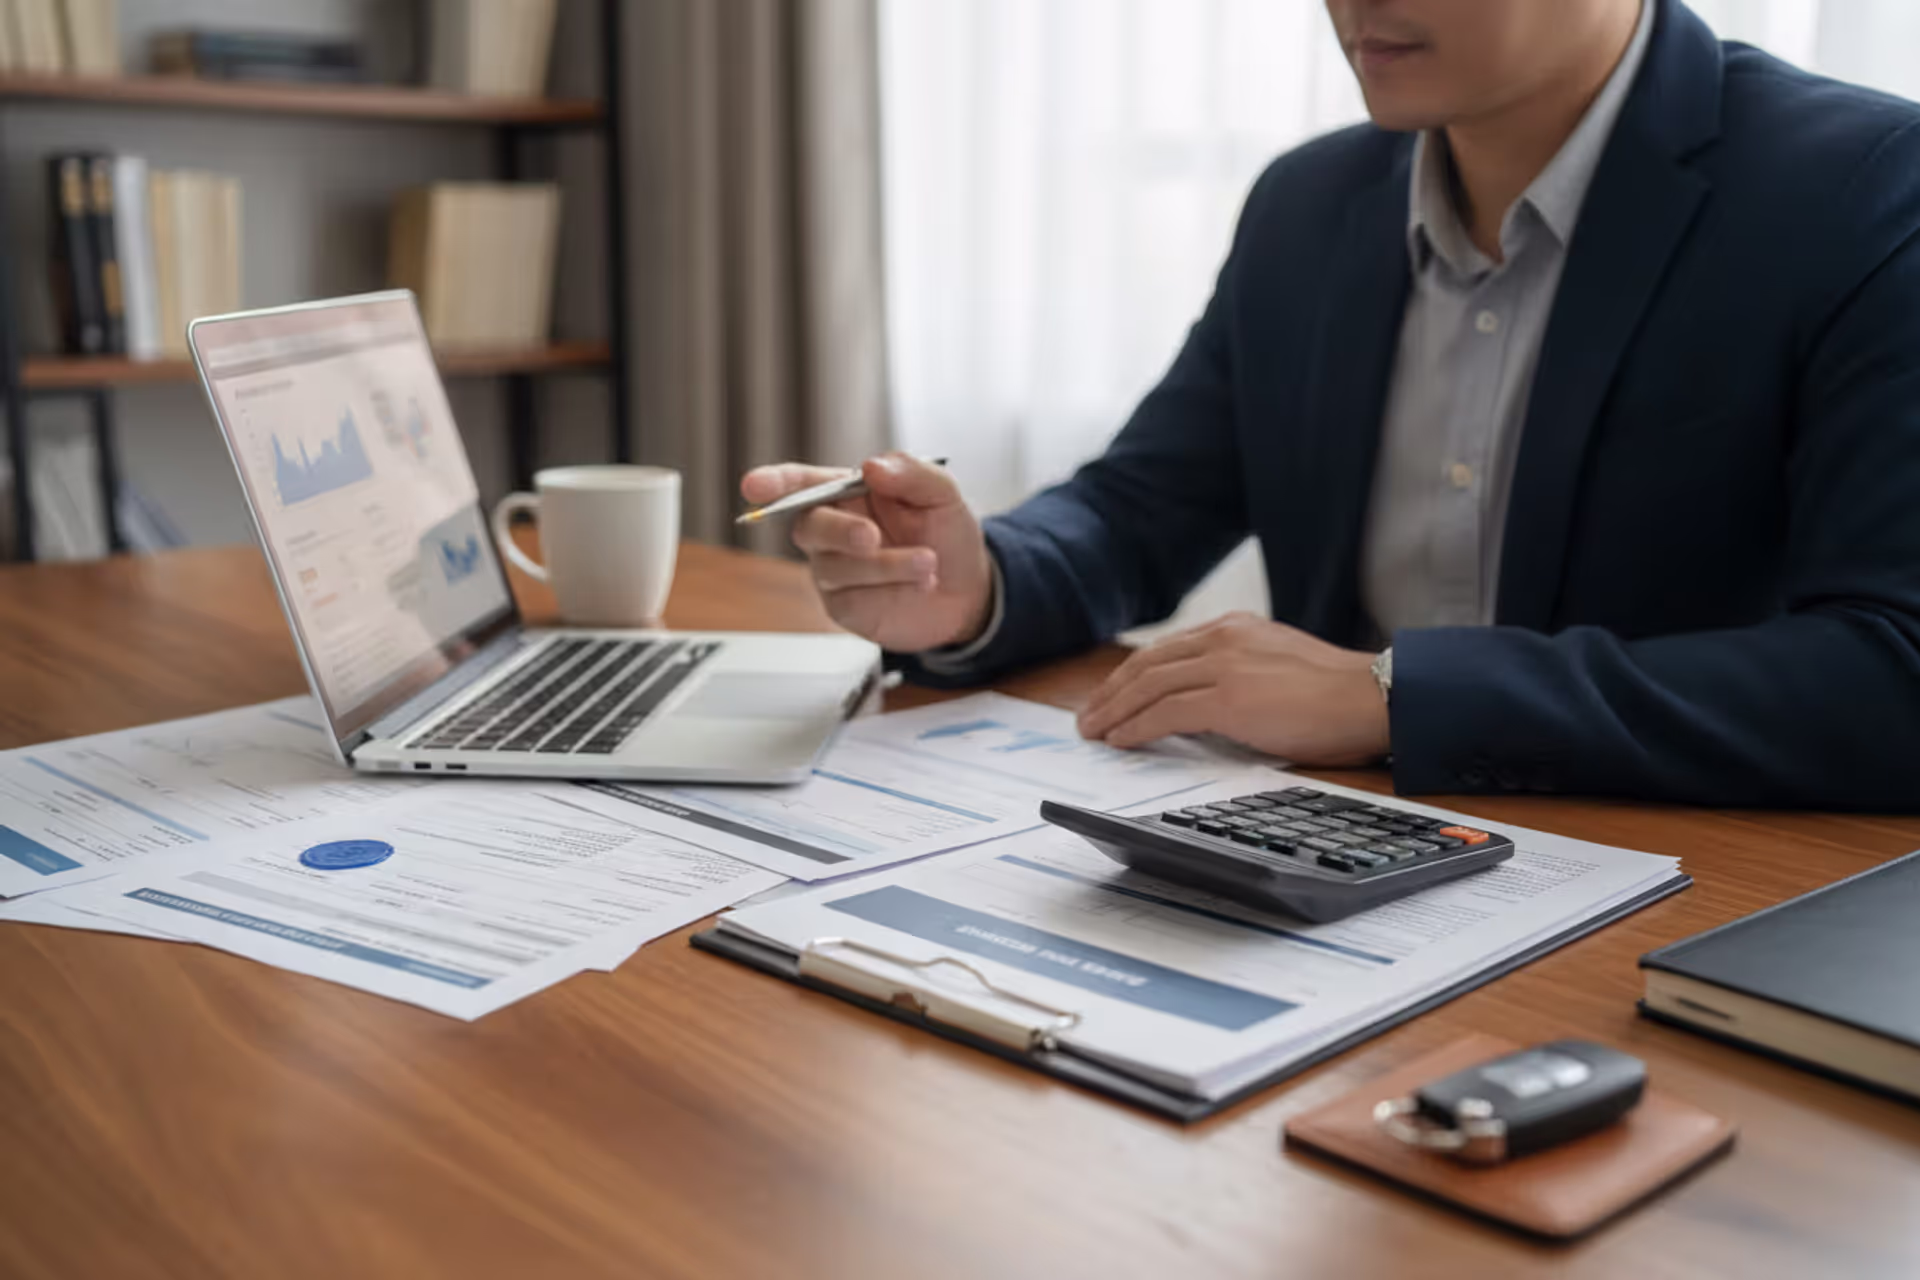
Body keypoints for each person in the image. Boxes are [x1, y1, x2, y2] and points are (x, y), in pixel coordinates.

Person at [742, 0, 1920, 809]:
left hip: (1689, 896)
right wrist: (974, 584)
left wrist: (1394, 694)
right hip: (1324, 866)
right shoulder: (1309, 204)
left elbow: (1891, 674)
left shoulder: (1861, 190)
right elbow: (1143, 508)